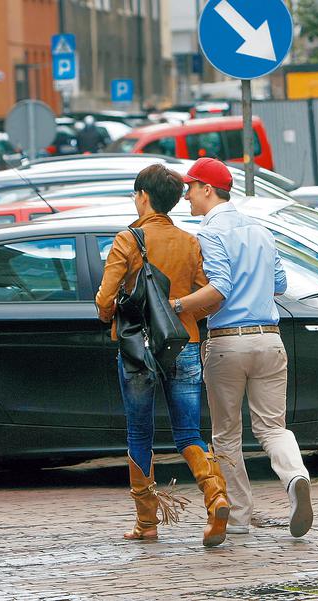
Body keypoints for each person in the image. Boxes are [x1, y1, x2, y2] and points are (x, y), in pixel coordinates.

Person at [173, 157, 313, 538]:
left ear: (207, 189)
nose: (186, 196)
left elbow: (220, 285)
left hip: (227, 342)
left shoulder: (208, 233)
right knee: (272, 428)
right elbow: (280, 283)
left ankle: (237, 516)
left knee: (227, 435)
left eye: (190, 187)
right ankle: (295, 476)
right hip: (269, 337)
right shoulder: (261, 231)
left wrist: (178, 305)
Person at [95, 164, 230, 547]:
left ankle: (147, 522)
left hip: (138, 351)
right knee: (189, 431)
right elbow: (205, 298)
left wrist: (111, 312)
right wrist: (179, 311)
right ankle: (216, 497)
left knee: (140, 433)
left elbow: (105, 300)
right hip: (183, 346)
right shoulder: (190, 242)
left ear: (143, 196)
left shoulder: (127, 240)